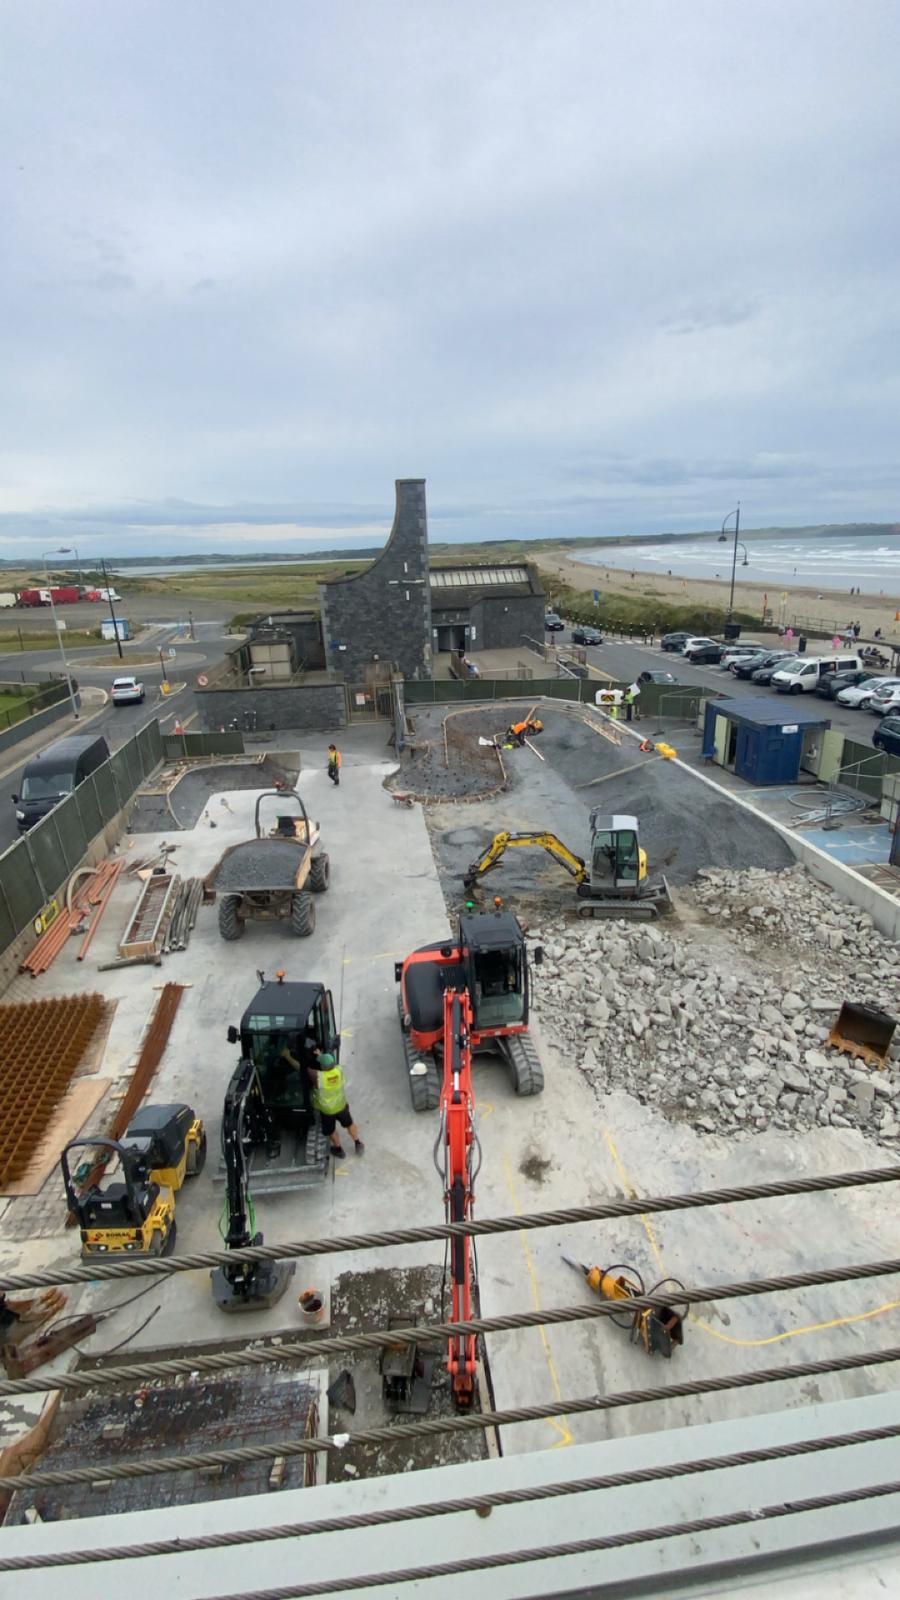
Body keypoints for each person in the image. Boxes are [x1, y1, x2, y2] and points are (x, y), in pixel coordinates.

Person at [310, 1052, 364, 1158]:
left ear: (322, 1066)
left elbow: (303, 1069)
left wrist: (288, 1056)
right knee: (349, 1124)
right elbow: (330, 1065)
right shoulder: (339, 1070)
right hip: (341, 1106)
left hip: (327, 1111)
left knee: (331, 1130)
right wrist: (320, 1055)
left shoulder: (318, 1077)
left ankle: (338, 1149)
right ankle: (358, 1143)